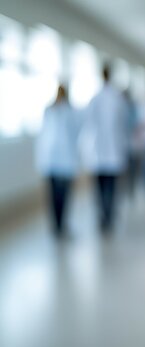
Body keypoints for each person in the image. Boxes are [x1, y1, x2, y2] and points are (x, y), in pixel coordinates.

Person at [81, 65, 128, 235]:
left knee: (100, 188)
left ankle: (103, 215)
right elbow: (124, 125)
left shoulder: (95, 99)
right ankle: (108, 215)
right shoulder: (118, 99)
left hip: (99, 152)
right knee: (111, 186)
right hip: (113, 151)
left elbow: (88, 126)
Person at [36, 85, 80, 238]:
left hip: (57, 160)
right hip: (56, 160)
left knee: (58, 195)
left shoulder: (60, 111)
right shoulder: (55, 111)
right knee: (58, 195)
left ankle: (59, 225)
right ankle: (58, 225)